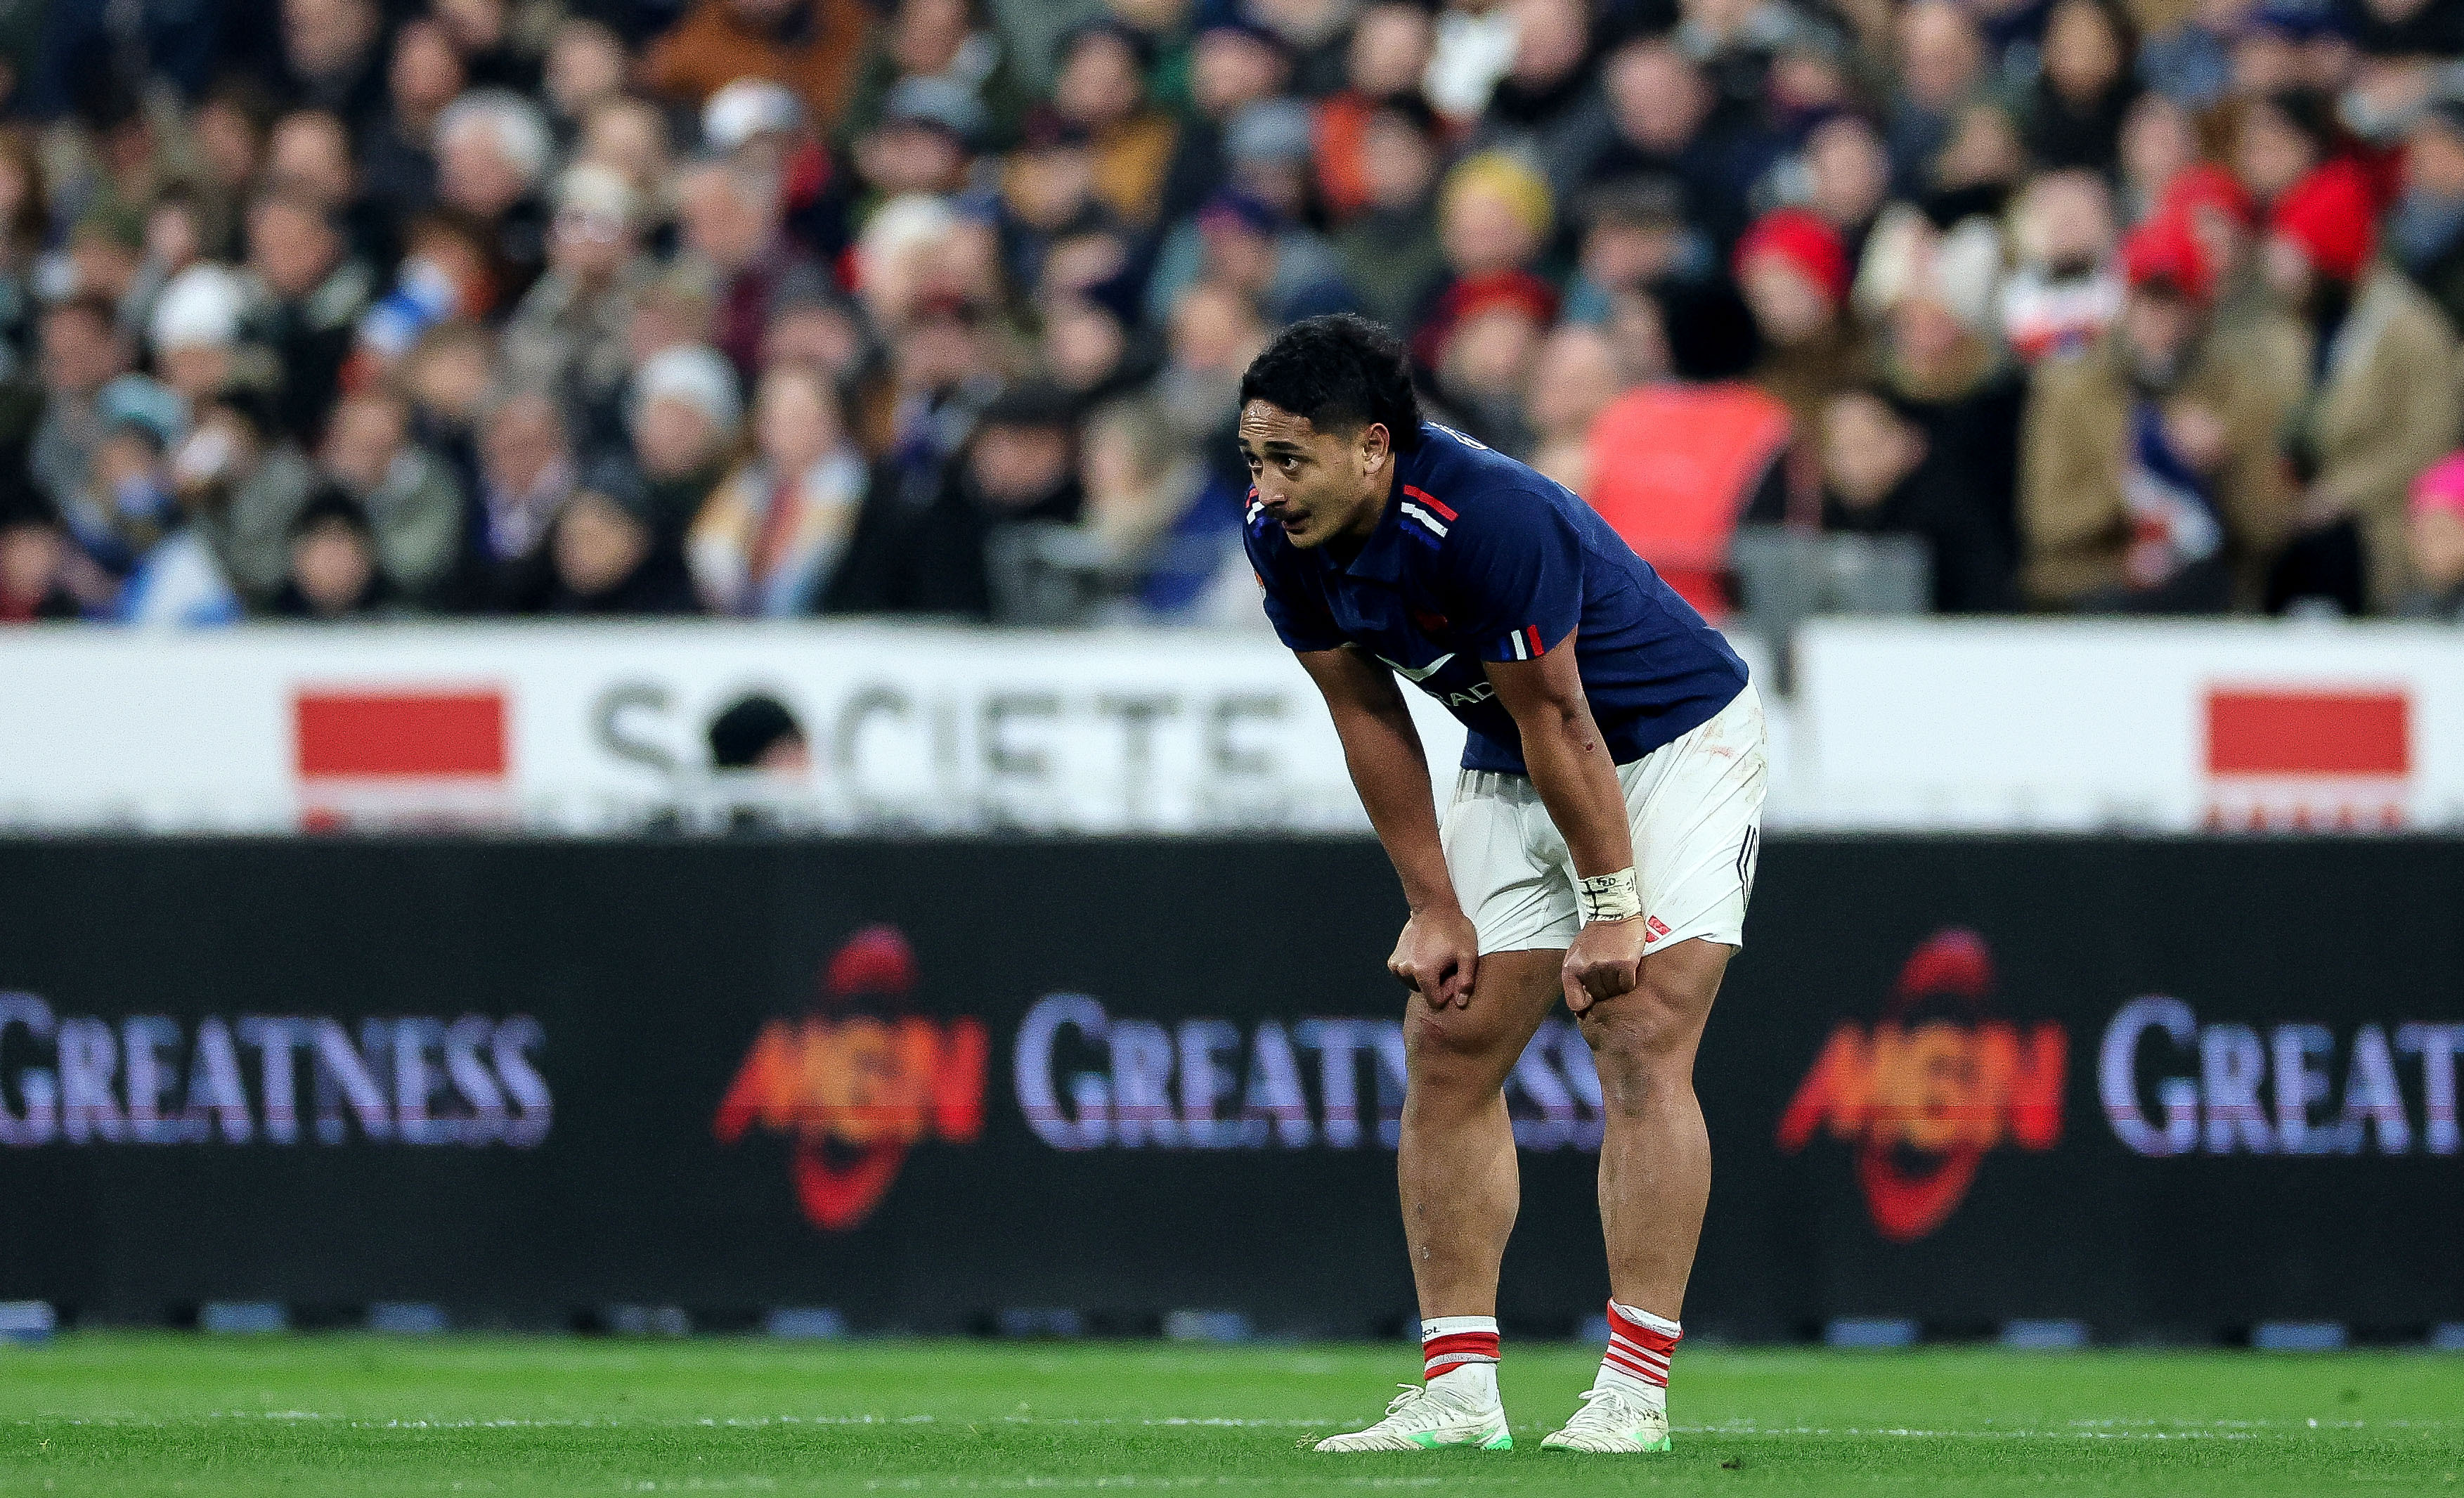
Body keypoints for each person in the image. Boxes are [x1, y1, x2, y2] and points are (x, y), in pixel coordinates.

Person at [1238, 315, 1763, 1457]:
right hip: (1520, 747)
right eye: (1254, 461)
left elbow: (1560, 717)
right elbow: (1366, 714)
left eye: (1290, 460)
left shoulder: (1487, 519)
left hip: (1666, 741)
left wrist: (1613, 903)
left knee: (1635, 1029)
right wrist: (1431, 902)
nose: (1267, 488)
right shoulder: (1280, 539)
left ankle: (1630, 1397)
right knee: (1449, 1033)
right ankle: (1458, 1395)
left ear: (1372, 446)